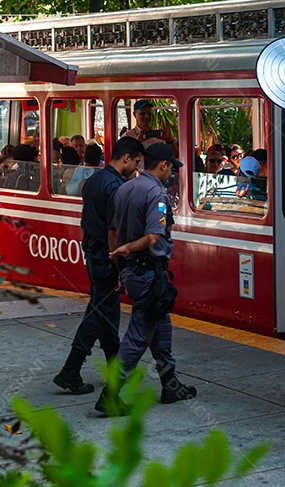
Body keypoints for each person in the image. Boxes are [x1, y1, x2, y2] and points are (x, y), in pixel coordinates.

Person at [95, 142, 196, 415]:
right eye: (171, 167)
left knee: (160, 326)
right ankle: (110, 394)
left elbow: (113, 234)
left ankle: (170, 382)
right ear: (163, 165)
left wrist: (120, 268)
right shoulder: (157, 193)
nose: (171, 172)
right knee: (139, 335)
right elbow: (154, 237)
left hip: (132, 271)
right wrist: (131, 248)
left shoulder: (125, 188)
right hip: (150, 271)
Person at [53, 136, 145, 395]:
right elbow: (113, 232)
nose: (136, 168)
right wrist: (120, 267)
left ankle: (114, 372)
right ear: (126, 158)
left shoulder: (93, 180)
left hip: (92, 253)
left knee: (108, 313)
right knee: (98, 313)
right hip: (106, 256)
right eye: (136, 162)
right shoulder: (116, 187)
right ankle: (70, 370)